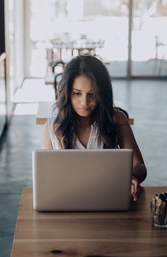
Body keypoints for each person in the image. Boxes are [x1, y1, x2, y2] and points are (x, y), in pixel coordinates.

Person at [42, 55, 147, 202]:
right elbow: (45, 177)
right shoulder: (52, 128)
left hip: (109, 200)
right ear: (66, 93)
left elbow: (139, 165)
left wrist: (133, 176)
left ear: (102, 93)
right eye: (77, 93)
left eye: (92, 94)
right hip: (66, 202)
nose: (85, 102)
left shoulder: (117, 119)